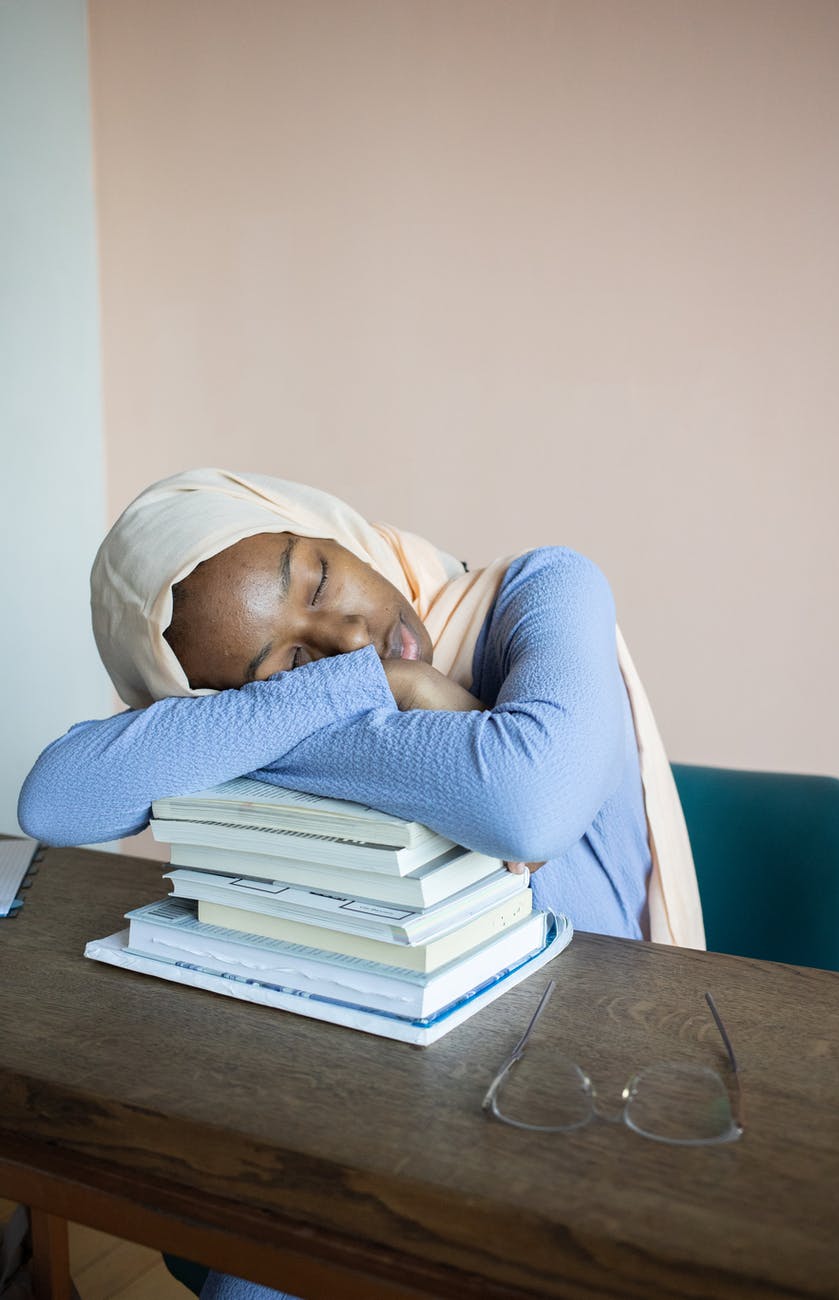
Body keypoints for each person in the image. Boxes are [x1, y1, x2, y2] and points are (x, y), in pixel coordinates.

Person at [18, 467, 704, 1300]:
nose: (347, 636)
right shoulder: (352, 677)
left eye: (316, 577)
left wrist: (263, 724)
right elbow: (56, 797)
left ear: (326, 527)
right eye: (289, 664)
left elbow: (528, 803)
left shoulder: (543, 587)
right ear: (207, 698)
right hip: (373, 1063)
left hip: (575, 1078)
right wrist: (378, 689)